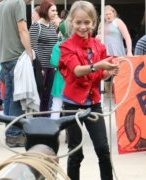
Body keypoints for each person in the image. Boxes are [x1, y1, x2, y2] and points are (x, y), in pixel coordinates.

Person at [59, 1, 119, 180]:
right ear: (71, 23)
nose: (83, 27)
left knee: (103, 150)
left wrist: (110, 71)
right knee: (75, 152)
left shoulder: (99, 46)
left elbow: (101, 75)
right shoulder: (66, 47)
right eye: (78, 22)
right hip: (72, 105)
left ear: (94, 22)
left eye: (87, 22)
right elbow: (77, 71)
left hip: (93, 104)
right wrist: (98, 65)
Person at [0, 0, 33, 147]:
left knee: (9, 97)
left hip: (4, 57)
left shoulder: (0, 5)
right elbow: (22, 30)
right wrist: (29, 53)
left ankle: (11, 132)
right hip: (17, 57)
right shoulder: (18, 3)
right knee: (18, 97)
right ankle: (14, 134)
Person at [97, 5, 132, 97]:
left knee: (119, 74)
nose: (108, 16)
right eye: (106, 14)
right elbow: (98, 37)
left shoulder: (117, 22)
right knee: (106, 75)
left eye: (110, 14)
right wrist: (98, 38)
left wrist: (129, 51)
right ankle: (108, 95)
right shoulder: (102, 24)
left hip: (117, 52)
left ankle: (120, 95)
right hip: (106, 53)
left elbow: (127, 37)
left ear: (113, 13)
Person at [29, 0, 58, 113]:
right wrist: (39, 67)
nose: (55, 13)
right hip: (41, 66)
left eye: (56, 10)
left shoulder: (51, 25)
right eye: (53, 10)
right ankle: (38, 118)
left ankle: (44, 117)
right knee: (39, 93)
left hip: (51, 65)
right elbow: (33, 47)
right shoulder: (36, 26)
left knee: (48, 94)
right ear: (46, 10)